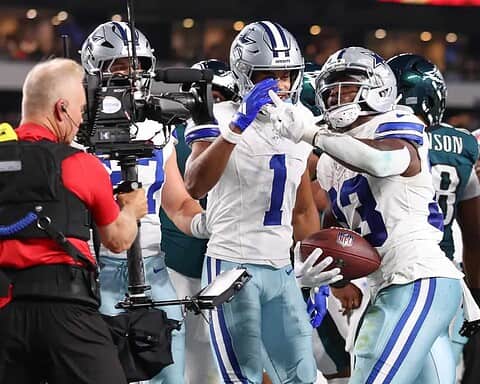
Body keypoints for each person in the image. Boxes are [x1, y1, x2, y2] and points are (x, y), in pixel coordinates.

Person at [269, 46, 469, 383]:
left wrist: (310, 133)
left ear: (379, 87)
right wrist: (319, 266)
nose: (336, 97)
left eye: (347, 86)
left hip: (417, 277)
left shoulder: (396, 122)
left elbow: (381, 162)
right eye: (329, 91)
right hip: (387, 283)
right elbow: (337, 219)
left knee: (370, 364)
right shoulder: (333, 158)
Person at [184, 21, 342, 384]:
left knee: (302, 376)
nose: (280, 86)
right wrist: (238, 126)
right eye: (267, 76)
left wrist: (312, 275)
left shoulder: (299, 122)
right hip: (232, 264)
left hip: (281, 268)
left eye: (286, 75)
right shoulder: (220, 117)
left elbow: (302, 209)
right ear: (243, 77)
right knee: (243, 377)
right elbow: (194, 184)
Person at [0, 58, 147, 384]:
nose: (82, 120)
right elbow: (118, 239)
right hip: (66, 312)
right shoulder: (81, 165)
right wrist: (132, 210)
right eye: (81, 109)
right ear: (61, 108)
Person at [80, 21, 208, 384]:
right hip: (97, 272)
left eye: (137, 65)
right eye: (118, 65)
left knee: (171, 377)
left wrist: (208, 223)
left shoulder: (157, 126)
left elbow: (179, 204)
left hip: (154, 268)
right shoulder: (78, 130)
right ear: (95, 69)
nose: (130, 74)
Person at [387, 53, 480, 369]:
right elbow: (475, 234)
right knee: (444, 368)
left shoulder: (378, 141)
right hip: (445, 272)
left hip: (388, 271)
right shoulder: (464, 144)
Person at [161, 58, 238, 384]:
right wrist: (205, 223)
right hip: (180, 262)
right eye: (204, 95)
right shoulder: (169, 136)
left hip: (233, 261)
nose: (210, 104)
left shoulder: (248, 135)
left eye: (216, 96)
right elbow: (177, 202)